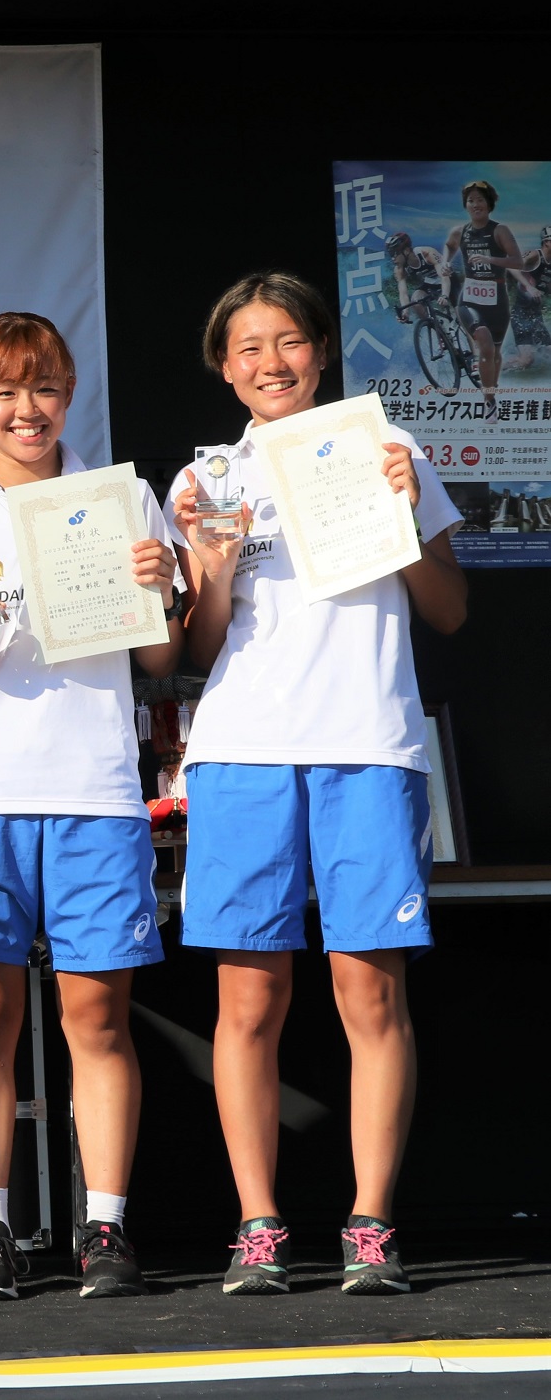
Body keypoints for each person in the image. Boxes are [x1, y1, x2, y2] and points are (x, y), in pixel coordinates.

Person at [171, 272, 466, 1295]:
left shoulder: (392, 452)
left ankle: (370, 1223)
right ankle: (259, 1224)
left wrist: (400, 507)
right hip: (244, 750)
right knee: (248, 998)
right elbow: (194, 650)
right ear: (225, 366)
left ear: (323, 351)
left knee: (367, 991)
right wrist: (206, 565)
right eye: (248, 347)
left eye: (288, 341)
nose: (270, 362)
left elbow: (448, 609)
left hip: (368, 746)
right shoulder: (206, 478)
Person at [0, 313, 182, 1302]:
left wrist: (162, 593)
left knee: (96, 1021)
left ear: (70, 394)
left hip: (96, 791)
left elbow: (159, 662)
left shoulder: (120, 499)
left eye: (46, 386)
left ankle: (105, 1228)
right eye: (6, 389)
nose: (28, 407)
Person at [441, 181, 527, 402]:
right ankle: (489, 402)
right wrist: (445, 263)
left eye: (480, 200)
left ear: (489, 205)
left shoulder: (500, 230)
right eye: (471, 200)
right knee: (484, 342)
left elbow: (518, 262)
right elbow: (449, 246)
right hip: (469, 299)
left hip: (497, 299)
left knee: (495, 353)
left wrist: (490, 259)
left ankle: (491, 389)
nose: (475, 204)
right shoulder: (460, 232)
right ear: (466, 205)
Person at [504, 227, 550, 373]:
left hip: (536, 315)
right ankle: (497, 368)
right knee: (527, 360)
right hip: (520, 314)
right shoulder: (535, 255)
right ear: (547, 242)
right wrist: (528, 287)